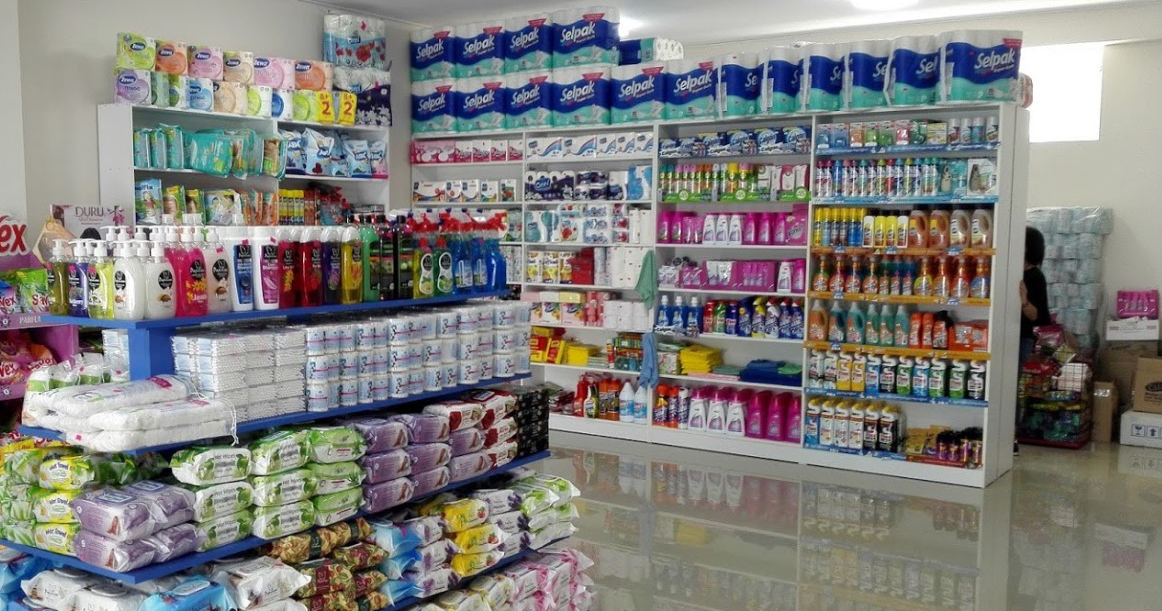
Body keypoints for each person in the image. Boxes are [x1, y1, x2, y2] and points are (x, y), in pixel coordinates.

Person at [1015, 227, 1052, 455]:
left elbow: (1038, 316)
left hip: (1020, 338)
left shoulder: (1035, 277)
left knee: (1009, 386)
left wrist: (1024, 300)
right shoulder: (1007, 269)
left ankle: (1011, 436)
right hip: (995, 335)